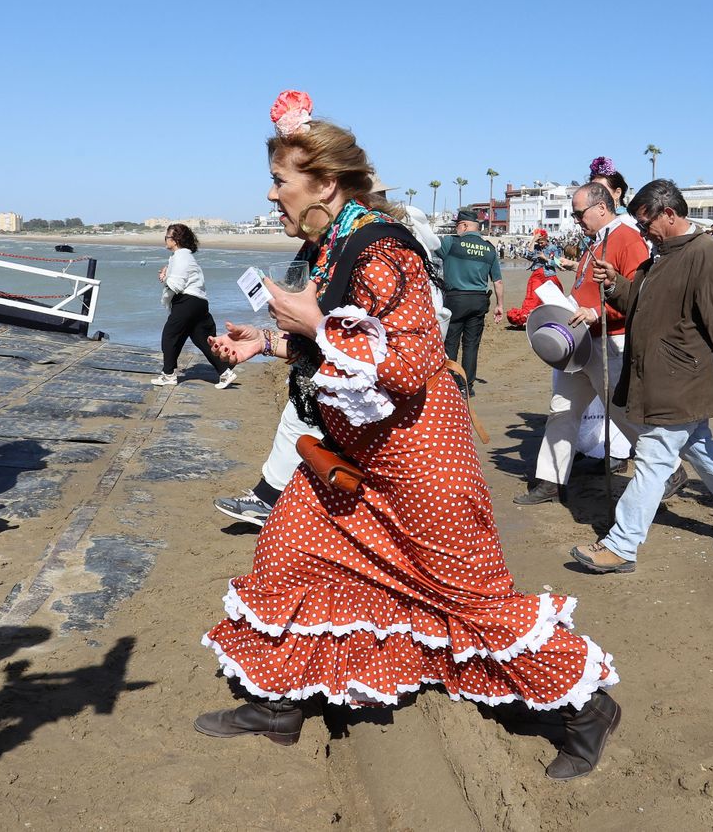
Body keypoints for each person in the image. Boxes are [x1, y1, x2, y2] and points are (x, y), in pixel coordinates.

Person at [197, 90, 621, 781]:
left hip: (421, 461)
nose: (271, 195)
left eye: (280, 181)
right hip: (362, 455)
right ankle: (277, 705)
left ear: (325, 184)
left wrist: (313, 327)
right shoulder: (332, 244)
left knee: (474, 601)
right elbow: (351, 351)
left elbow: (412, 361)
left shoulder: (379, 250)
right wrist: (269, 342)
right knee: (286, 550)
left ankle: (586, 709)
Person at [574, 180, 713, 573]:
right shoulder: (661, 255)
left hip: (681, 383)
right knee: (702, 451)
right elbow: (643, 304)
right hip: (665, 380)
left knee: (651, 459)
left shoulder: (709, 256)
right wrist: (616, 284)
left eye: (645, 221)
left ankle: (621, 544)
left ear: (670, 214)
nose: (641, 229)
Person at [514, 182, 680, 506]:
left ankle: (670, 469)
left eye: (579, 213)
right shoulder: (595, 242)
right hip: (579, 343)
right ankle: (550, 481)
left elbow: (639, 295)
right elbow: (585, 290)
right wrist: (567, 304)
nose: (576, 219)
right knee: (561, 410)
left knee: (624, 415)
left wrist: (597, 312)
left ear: (602, 208)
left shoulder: (628, 240)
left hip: (609, 343)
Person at [153, 223, 235, 389]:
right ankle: (225, 372)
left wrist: (165, 277)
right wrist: (168, 273)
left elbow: (177, 284)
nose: (165, 240)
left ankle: (169, 375)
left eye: (167, 237)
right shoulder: (184, 257)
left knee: (169, 336)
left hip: (187, 302)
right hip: (198, 302)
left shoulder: (181, 256)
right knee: (202, 340)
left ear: (175, 240)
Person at [436, 207, 504, 396]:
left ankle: (448, 384)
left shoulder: (451, 243)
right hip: (479, 300)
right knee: (471, 345)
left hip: (456, 299)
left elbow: (428, 244)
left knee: (450, 343)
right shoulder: (489, 249)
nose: (455, 230)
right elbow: (497, 281)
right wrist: (500, 305)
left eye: (457, 226)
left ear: (464, 225)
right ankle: (467, 386)